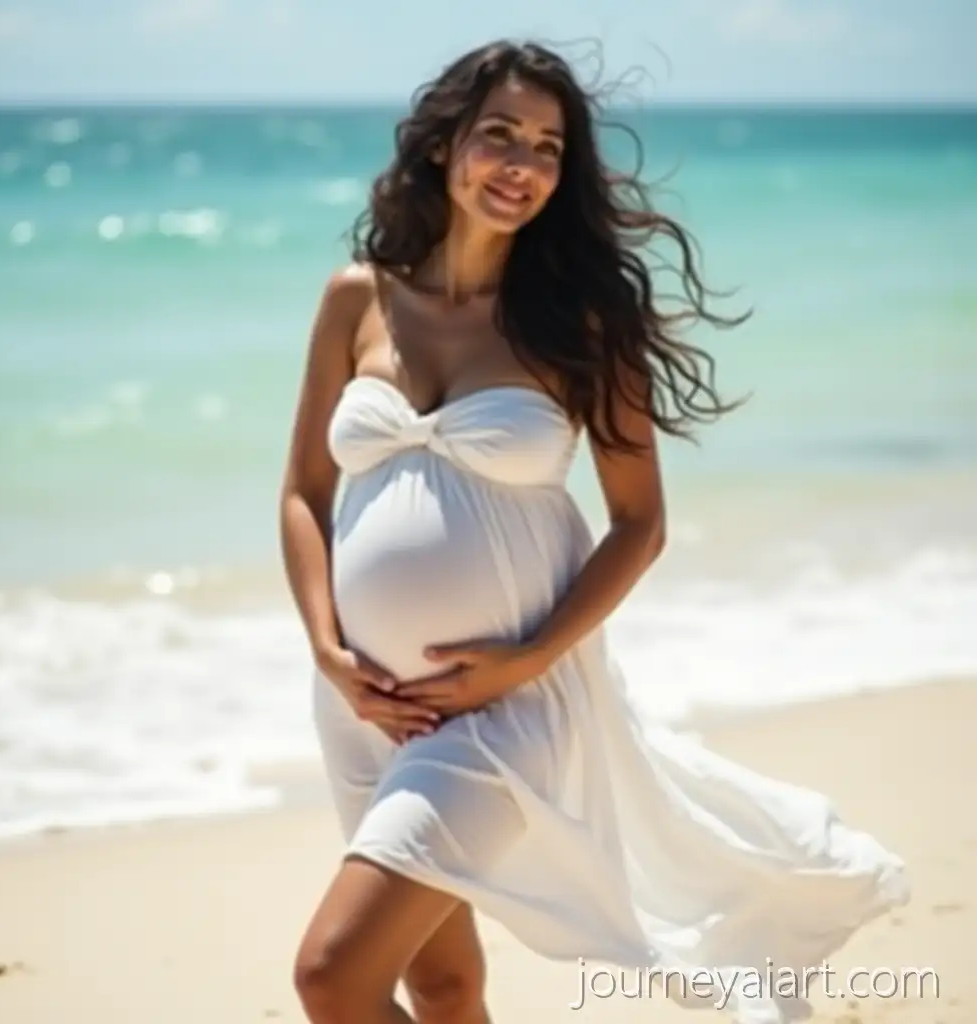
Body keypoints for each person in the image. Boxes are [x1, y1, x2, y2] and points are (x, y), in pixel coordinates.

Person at [278, 39, 908, 1024]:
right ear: (444, 145)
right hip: (363, 704)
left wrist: (522, 661)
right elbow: (302, 494)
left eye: (546, 147)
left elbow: (638, 522)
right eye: (498, 136)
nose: (521, 165)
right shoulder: (356, 297)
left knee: (330, 975)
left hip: (509, 710)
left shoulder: (581, 320)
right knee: (439, 983)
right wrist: (325, 648)